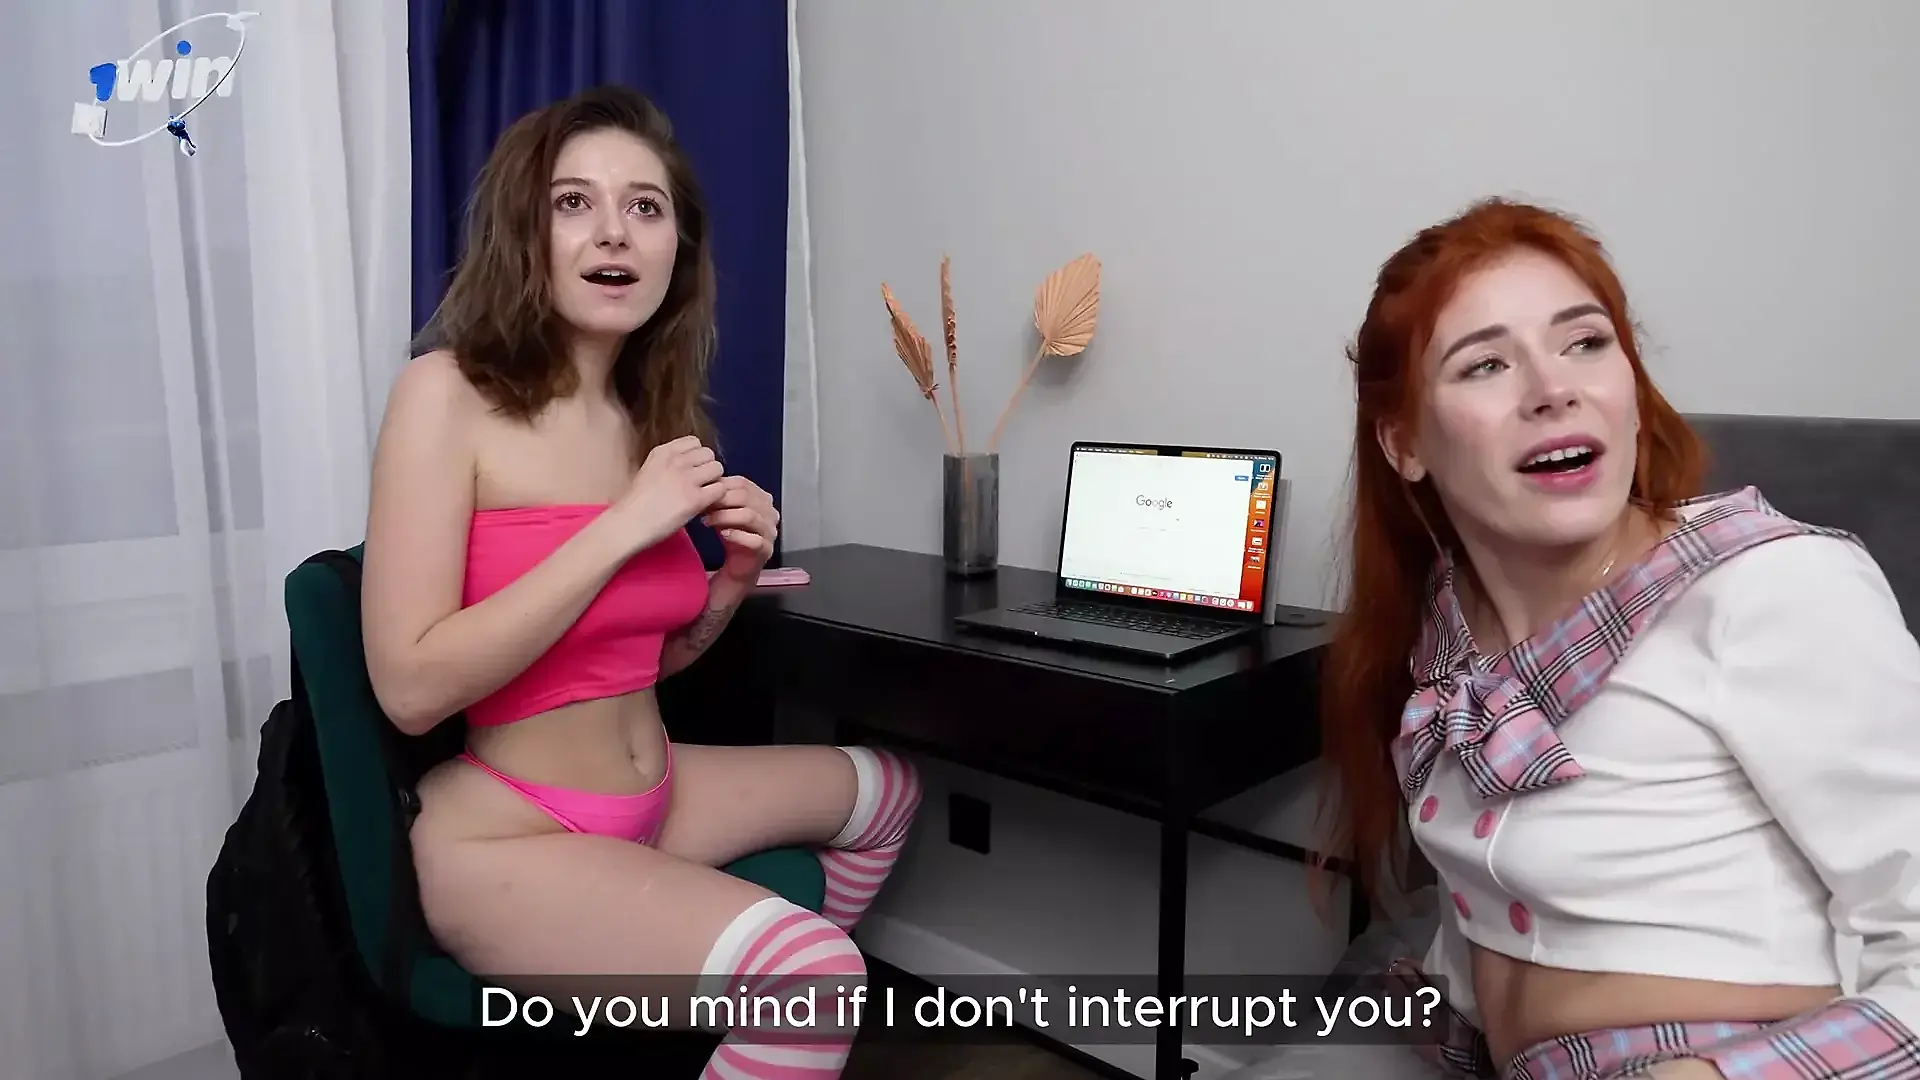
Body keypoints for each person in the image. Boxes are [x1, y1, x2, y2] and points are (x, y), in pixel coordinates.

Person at [361, 84, 922, 1079]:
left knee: (887, 790)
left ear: (676, 249)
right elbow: (409, 689)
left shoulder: (644, 417)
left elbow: (635, 666)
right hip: (507, 833)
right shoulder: (445, 394)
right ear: (523, 233)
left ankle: (730, 1024)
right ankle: (761, 1006)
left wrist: (733, 577)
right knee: (813, 977)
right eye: (572, 202)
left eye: (645, 207)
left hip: (655, 792)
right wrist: (624, 526)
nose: (613, 231)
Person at [1314, 197, 1920, 1080]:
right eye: (1486, 364)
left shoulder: (1776, 590)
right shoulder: (1447, 616)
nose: (1553, 388)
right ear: (1405, 443)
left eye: (1586, 343)